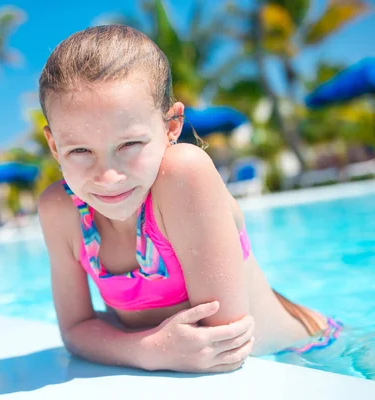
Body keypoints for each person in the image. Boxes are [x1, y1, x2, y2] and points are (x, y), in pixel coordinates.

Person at [37, 25, 340, 374]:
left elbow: (223, 345)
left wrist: (135, 347)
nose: (107, 176)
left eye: (129, 145)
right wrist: (147, 351)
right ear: (54, 146)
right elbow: (74, 331)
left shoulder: (183, 175)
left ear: (171, 127)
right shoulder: (60, 210)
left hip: (316, 354)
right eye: (79, 150)